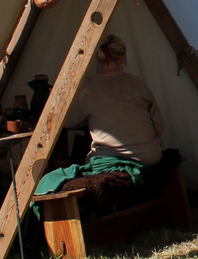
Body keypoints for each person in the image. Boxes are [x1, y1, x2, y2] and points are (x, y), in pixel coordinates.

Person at [65, 35, 165, 166]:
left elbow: (69, 122)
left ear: (97, 57)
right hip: (148, 155)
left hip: (109, 159)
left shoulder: (87, 86)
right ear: (123, 58)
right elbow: (159, 127)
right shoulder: (136, 82)